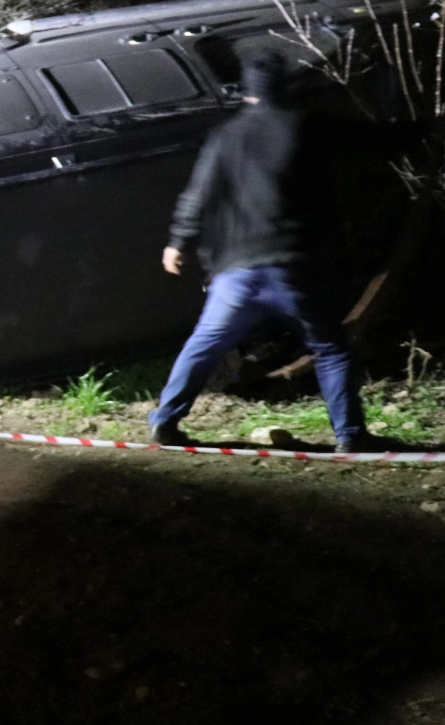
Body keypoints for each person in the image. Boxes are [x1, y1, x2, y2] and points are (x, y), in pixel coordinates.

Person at [149, 51, 374, 452]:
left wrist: (177, 242)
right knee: (331, 349)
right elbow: (373, 142)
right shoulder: (307, 125)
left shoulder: (226, 136)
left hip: (235, 273)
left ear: (247, 93)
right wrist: (431, 129)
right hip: (293, 270)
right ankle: (350, 437)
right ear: (286, 88)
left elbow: (197, 196)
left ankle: (165, 422)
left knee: (204, 345)